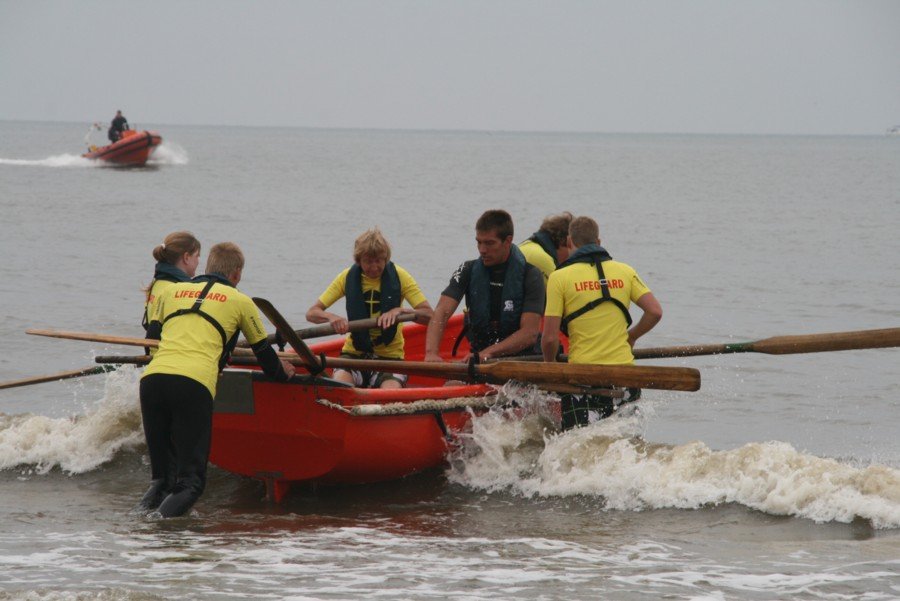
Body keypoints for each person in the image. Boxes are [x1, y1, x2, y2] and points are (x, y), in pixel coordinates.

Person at [140, 242, 295, 517]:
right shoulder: (241, 302)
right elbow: (266, 358)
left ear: (208, 267)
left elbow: (150, 344)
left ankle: (140, 527)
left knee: (162, 480)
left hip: (152, 381)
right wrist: (285, 372)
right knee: (191, 483)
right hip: (193, 384)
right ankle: (158, 532)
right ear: (236, 275)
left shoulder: (171, 291)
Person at [541, 216, 662, 430]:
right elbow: (655, 312)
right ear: (599, 242)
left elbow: (550, 338)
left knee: (577, 444)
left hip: (583, 377)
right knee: (624, 445)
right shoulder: (625, 270)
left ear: (569, 242)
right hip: (625, 375)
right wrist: (631, 337)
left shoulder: (559, 277)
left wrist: (550, 368)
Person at [305, 228, 433, 388]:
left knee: (390, 394)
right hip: (354, 356)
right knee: (338, 387)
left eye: (379, 260)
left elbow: (430, 317)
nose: (374, 267)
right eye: (368, 261)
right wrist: (332, 318)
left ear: (386, 258)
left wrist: (400, 311)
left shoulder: (401, 277)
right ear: (358, 261)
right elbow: (312, 313)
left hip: (389, 360)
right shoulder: (346, 277)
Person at [425, 209, 545, 362]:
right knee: (451, 384)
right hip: (479, 358)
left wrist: (489, 353)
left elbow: (530, 334)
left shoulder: (531, 276)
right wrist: (431, 353)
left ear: (508, 241)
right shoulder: (467, 270)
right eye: (479, 242)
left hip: (521, 360)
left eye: (489, 243)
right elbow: (441, 312)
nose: (482, 250)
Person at [142, 231, 202, 340]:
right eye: (197, 256)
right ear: (186, 257)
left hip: (153, 351)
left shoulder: (156, 284)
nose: (198, 261)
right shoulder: (181, 290)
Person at [519, 211, 573, 281]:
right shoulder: (545, 260)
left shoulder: (526, 244)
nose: (571, 256)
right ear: (562, 241)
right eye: (571, 247)